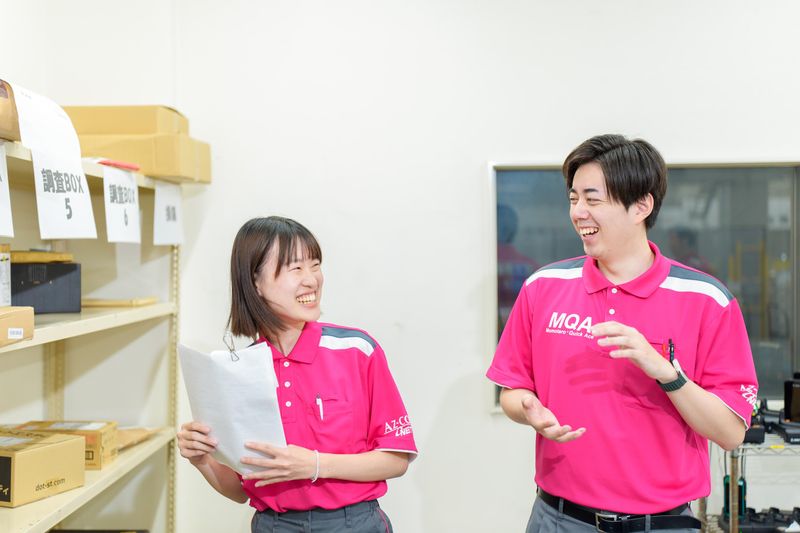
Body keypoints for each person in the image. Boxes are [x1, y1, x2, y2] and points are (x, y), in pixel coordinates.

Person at [486, 134, 758, 533]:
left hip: (662, 524)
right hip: (558, 518)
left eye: (593, 199)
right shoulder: (543, 287)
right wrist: (528, 409)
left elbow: (731, 433)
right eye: (573, 198)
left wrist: (667, 373)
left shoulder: (706, 299)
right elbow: (511, 391)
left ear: (641, 206)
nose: (578, 212)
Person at [178, 216, 417, 533]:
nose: (312, 280)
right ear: (255, 282)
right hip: (273, 525)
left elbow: (396, 460)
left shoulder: (357, 350)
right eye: (296, 268)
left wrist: (315, 464)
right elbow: (241, 490)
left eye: (315, 265)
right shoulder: (240, 372)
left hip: (354, 524)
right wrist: (203, 461)